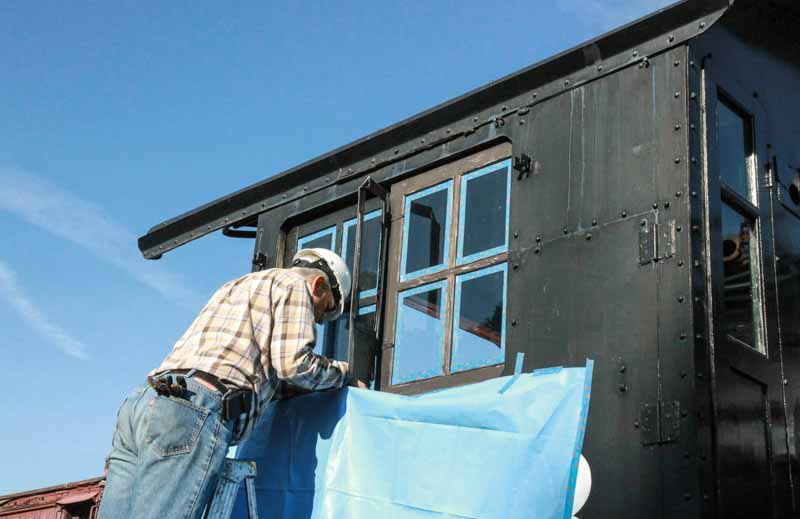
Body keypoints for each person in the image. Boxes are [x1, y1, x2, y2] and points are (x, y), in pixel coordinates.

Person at [97, 248, 365, 519]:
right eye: (326, 308)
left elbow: (260, 368)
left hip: (143, 404)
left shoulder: (236, 285)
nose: (319, 320)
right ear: (318, 284)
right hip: (192, 411)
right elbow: (294, 364)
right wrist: (345, 373)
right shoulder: (294, 285)